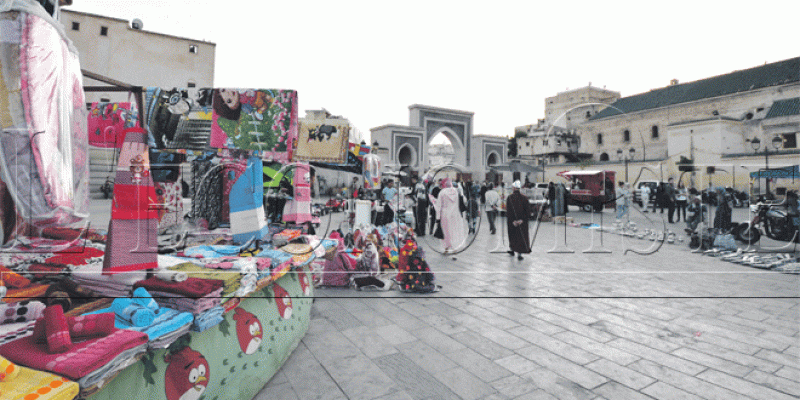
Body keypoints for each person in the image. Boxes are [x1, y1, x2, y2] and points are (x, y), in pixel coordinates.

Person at [431, 178, 466, 253]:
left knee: (445, 232)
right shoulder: (456, 191)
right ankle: (454, 247)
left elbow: (439, 206)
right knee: (454, 231)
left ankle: (446, 248)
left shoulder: (442, 192)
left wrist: (437, 217)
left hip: (445, 215)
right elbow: (462, 201)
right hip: (455, 214)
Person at [506, 181, 531, 260]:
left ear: (514, 188)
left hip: (512, 222)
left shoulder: (509, 197)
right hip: (522, 222)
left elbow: (508, 211)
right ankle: (519, 254)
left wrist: (513, 221)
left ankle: (512, 249)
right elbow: (528, 211)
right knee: (521, 237)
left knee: (513, 236)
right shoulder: (525, 198)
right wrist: (522, 220)